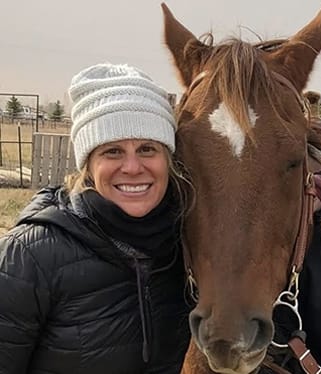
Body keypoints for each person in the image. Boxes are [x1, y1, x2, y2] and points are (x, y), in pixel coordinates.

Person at [0, 63, 191, 374]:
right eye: (112, 151)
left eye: (147, 149)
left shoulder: (189, 249)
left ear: (167, 160)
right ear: (88, 164)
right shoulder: (29, 257)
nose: (132, 167)